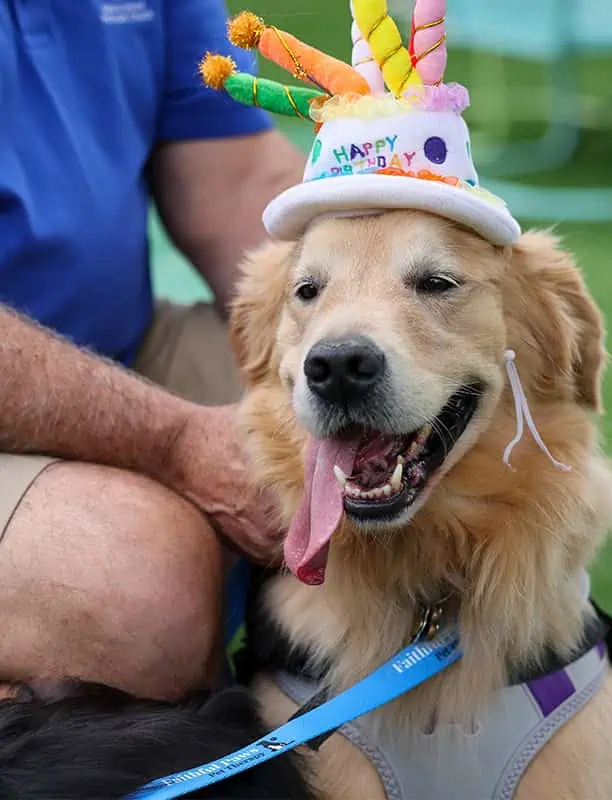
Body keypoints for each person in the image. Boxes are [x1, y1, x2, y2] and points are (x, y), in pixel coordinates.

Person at [0, 0, 306, 701]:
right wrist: (174, 442)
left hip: (120, 341)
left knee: (411, 411)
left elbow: (237, 178)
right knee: (139, 589)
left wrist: (381, 294)